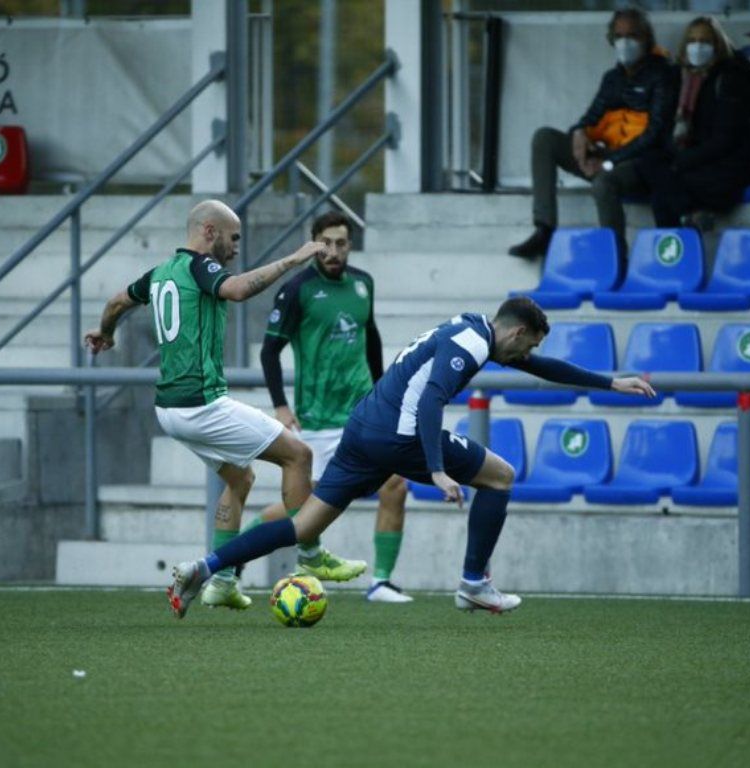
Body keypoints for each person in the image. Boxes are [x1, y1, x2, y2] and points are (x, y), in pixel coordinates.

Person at [166, 297, 656, 618]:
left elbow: (540, 367)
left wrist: (609, 383)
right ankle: (473, 583)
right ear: (517, 332)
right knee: (501, 476)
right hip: (396, 436)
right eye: (527, 345)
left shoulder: (470, 326)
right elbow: (430, 401)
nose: (526, 354)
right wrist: (437, 469)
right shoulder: (472, 343)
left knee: (304, 527)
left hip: (363, 428)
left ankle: (204, 568)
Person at [84, 200, 367, 612]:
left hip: (170, 410)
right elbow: (236, 290)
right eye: (233, 238)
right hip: (200, 405)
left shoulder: (160, 273)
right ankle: (311, 554)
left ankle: (223, 582)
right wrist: (292, 258)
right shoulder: (201, 267)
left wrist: (105, 333)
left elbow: (115, 302)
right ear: (209, 232)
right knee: (298, 455)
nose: (236, 247)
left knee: (239, 479)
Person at [257, 210, 413, 604]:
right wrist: (280, 405)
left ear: (350, 245)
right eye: (325, 243)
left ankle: (380, 582)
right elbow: (269, 351)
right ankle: (237, 553)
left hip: (362, 412)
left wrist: (382, 395)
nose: (333, 251)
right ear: (313, 243)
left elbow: (371, 338)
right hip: (318, 417)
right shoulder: (296, 290)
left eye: (341, 243)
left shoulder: (363, 284)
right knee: (304, 508)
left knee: (395, 484)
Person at [508, 8, 678, 263]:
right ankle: (544, 230)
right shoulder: (613, 78)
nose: (625, 42)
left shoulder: (664, 73)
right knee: (545, 138)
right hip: (605, 156)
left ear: (646, 38)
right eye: (619, 36)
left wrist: (609, 162)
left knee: (603, 183)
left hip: (640, 163)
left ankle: (614, 257)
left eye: (632, 35)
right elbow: (591, 117)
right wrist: (579, 136)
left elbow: (655, 134)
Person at [638, 16, 750, 230]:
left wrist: (680, 162)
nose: (697, 47)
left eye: (705, 41)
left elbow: (726, 140)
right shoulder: (680, 77)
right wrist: (674, 156)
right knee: (649, 161)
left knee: (662, 195)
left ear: (718, 45)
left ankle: (683, 233)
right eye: (692, 41)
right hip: (696, 159)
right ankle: (691, 214)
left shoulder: (731, 77)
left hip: (727, 165)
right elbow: (667, 129)